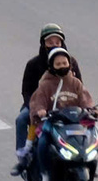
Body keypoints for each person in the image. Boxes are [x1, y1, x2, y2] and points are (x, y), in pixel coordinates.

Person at [13, 24, 80, 171]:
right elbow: (27, 90)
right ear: (43, 44)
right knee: (22, 119)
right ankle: (23, 158)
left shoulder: (71, 62)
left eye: (57, 42)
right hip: (40, 105)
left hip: (65, 104)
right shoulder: (33, 64)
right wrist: (35, 107)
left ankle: (82, 157)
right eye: (50, 42)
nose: (54, 45)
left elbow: (80, 87)